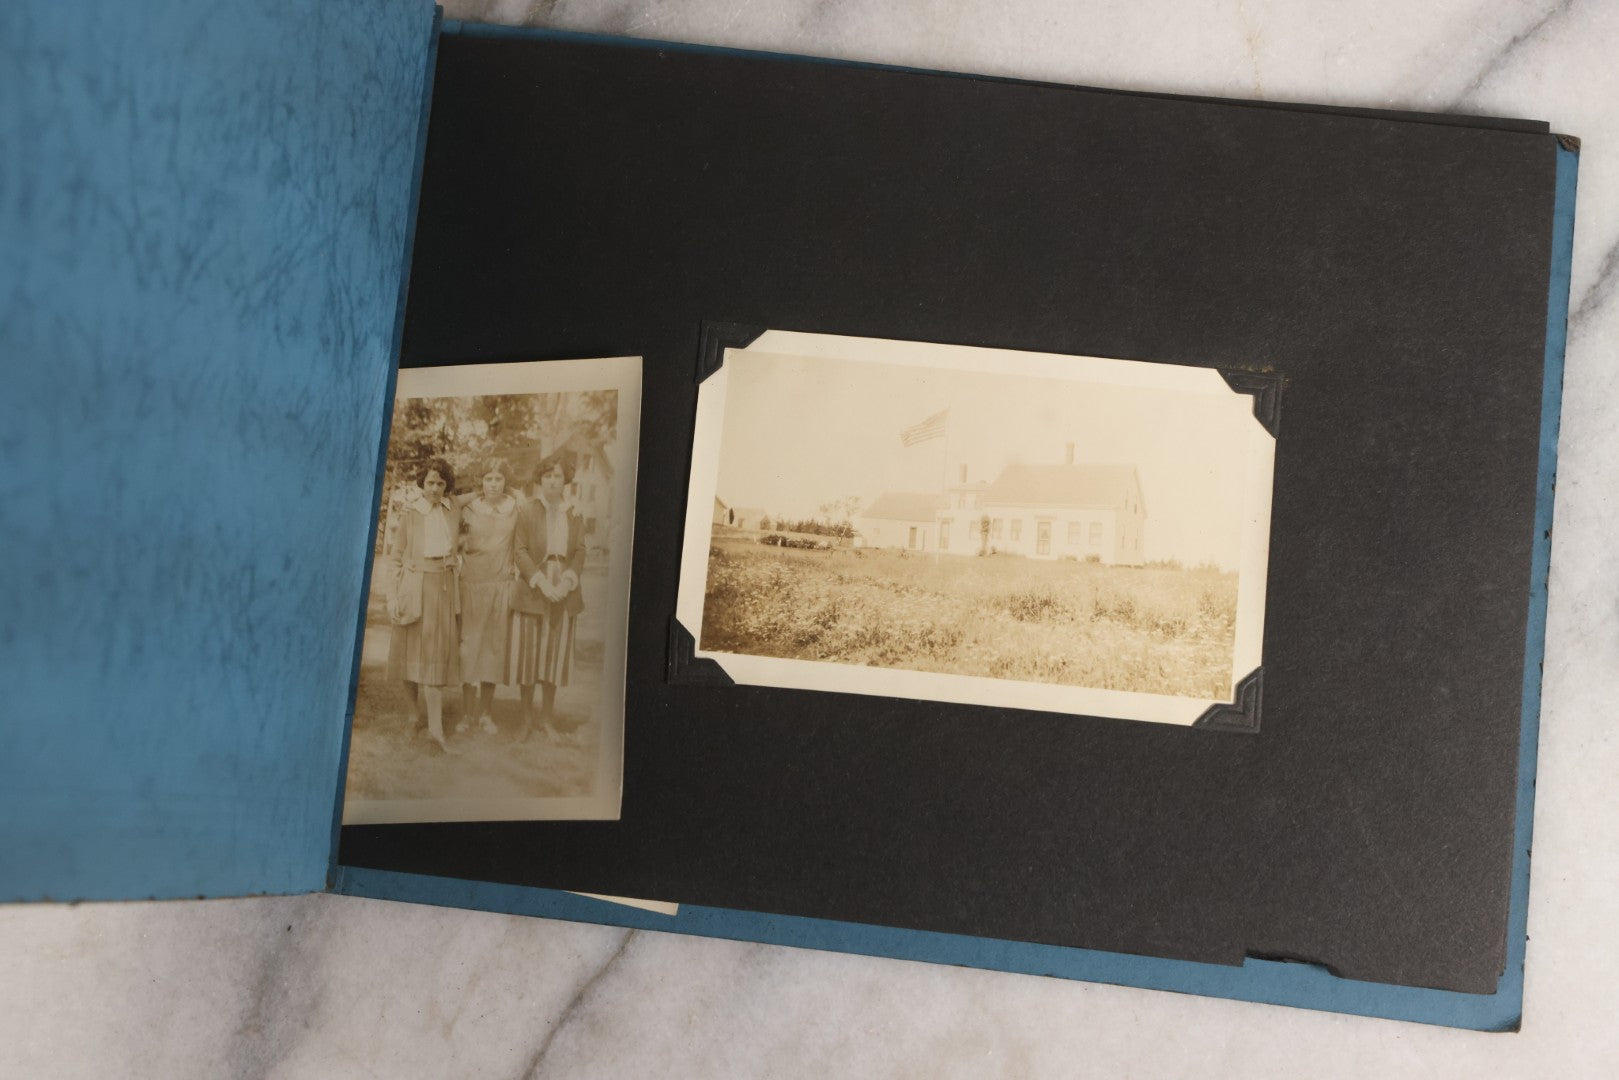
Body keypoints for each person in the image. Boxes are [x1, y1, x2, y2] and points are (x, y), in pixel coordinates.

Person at [385, 458, 462, 753]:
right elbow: (395, 558)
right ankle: (413, 716)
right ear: (422, 483)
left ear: (447, 486)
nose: (435, 489)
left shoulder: (453, 507)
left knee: (434, 656)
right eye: (430, 482)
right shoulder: (411, 513)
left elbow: (482, 495)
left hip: (443, 588)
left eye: (441, 483)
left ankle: (436, 730)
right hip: (414, 587)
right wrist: (392, 597)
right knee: (409, 655)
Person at [510, 451, 585, 743]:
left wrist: (567, 581)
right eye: (548, 476)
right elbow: (519, 551)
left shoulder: (574, 512)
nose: (553, 481)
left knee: (553, 656)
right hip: (534, 587)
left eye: (558, 476)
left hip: (564, 587)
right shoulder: (527, 510)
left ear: (566, 479)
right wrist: (542, 583)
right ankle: (525, 721)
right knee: (528, 656)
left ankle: (546, 720)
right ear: (540, 480)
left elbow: (580, 550)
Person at [454, 456, 521, 735]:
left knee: (494, 650)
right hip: (471, 584)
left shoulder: (514, 507)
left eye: (498, 479)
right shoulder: (469, 508)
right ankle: (467, 715)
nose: (493, 484)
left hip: (500, 585)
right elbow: (450, 501)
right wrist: (477, 492)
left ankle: (485, 715)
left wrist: (510, 490)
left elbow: (527, 502)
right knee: (469, 649)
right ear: (481, 481)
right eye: (488, 479)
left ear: (506, 482)